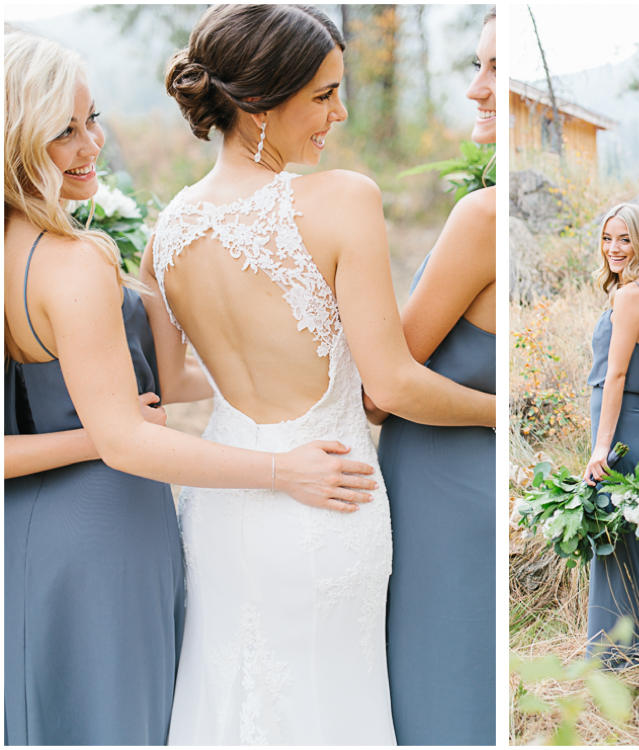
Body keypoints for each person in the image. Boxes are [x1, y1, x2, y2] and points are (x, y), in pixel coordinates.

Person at [4, 30, 376, 747]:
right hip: (106, 530)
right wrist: (280, 468)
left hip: (27, 535)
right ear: (16, 140)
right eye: (63, 133)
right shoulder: (75, 262)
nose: (92, 146)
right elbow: (126, 440)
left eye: (92, 118)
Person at [149, 6, 495, 744]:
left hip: (219, 510)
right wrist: (501, 409)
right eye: (323, 95)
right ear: (258, 103)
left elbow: (174, 384)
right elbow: (392, 386)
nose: (338, 114)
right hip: (332, 497)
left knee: (223, 696)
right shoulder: (342, 199)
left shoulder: (167, 229)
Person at [373, 6, 495, 745]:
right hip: (466, 480)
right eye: (473, 65)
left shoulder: (480, 215)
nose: (477, 88)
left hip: (440, 490)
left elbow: (381, 385)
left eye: (493, 70)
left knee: (440, 684)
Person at [582, 203, 639, 662]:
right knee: (626, 537)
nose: (614, 248)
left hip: (620, 429)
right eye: (607, 238)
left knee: (616, 539)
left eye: (624, 239)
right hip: (629, 421)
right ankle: (634, 643)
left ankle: (620, 652)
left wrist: (600, 447)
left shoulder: (631, 295)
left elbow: (616, 376)